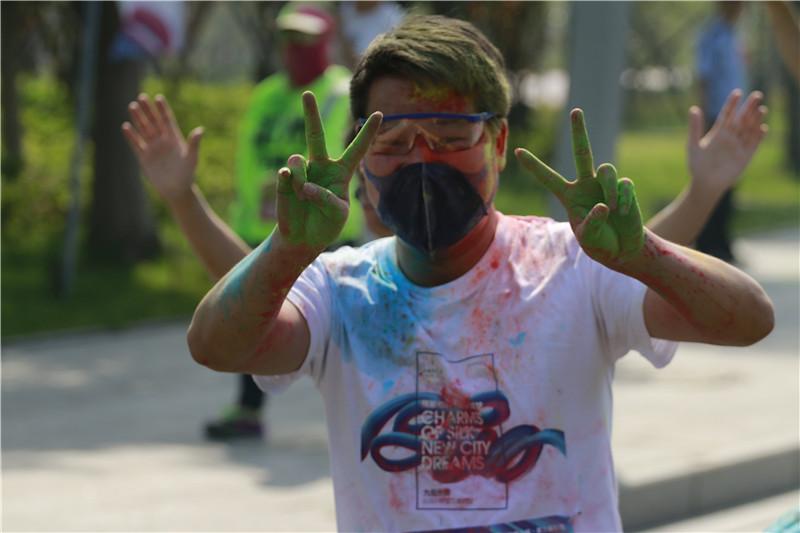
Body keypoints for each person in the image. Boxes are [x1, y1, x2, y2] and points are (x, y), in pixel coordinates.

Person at [124, 17, 773, 530]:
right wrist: (287, 250)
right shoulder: (338, 290)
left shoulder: (573, 268)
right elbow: (215, 343)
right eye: (395, 141)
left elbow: (750, 318)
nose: (422, 159)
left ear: (497, 142)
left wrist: (643, 256)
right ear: (361, 164)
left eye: (449, 135)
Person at [694, 1, 748, 262]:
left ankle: (722, 240)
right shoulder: (712, 37)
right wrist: (704, 118)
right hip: (718, 116)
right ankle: (708, 241)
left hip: (736, 118)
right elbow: (704, 79)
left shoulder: (734, 36)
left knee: (729, 181)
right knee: (714, 179)